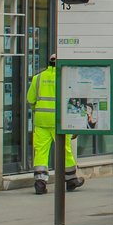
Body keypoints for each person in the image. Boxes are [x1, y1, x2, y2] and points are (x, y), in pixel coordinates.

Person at [27, 54, 83, 194]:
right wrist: (76, 123)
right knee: (65, 150)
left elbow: (30, 99)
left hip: (41, 121)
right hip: (61, 121)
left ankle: (40, 183)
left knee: (41, 152)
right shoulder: (66, 79)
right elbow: (74, 102)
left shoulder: (38, 78)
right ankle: (71, 180)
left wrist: (37, 110)